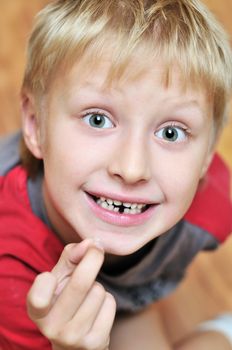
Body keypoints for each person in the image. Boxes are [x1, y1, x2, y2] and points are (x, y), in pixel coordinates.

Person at [0, 0, 232, 349]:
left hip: (130, 296)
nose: (132, 168)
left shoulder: (212, 205)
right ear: (35, 125)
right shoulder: (9, 263)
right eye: (97, 119)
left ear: (206, 159)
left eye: (171, 132)